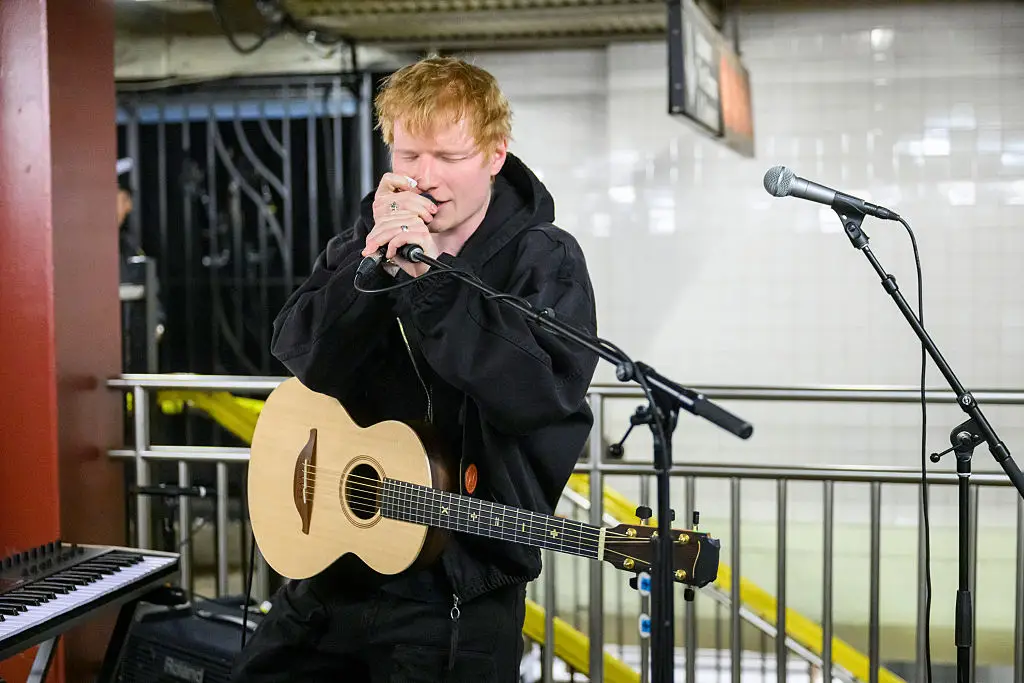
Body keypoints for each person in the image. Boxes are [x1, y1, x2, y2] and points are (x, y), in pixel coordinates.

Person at [231, 56, 600, 682]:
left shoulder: (545, 259)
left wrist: (432, 283)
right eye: (407, 156)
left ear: (494, 155)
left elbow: (535, 394)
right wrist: (368, 269)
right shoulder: (368, 236)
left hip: (457, 582)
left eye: (448, 158)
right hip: (335, 563)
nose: (424, 178)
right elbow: (301, 354)